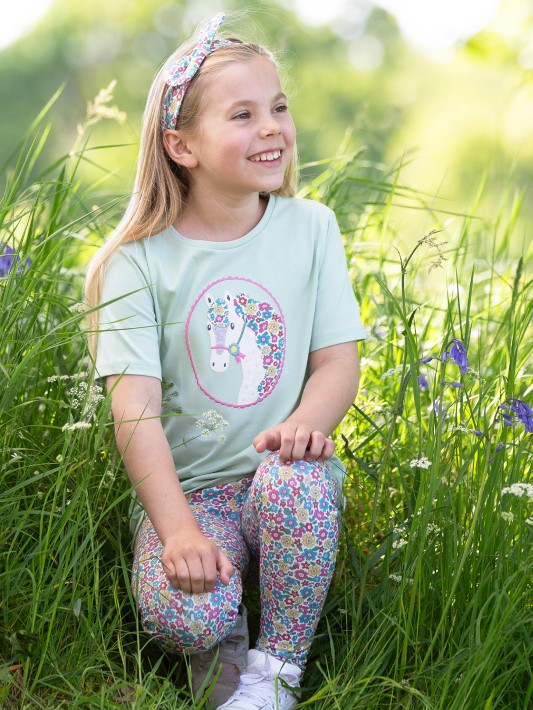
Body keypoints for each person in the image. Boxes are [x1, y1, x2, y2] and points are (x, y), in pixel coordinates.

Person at [85, 12, 365, 710]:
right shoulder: (137, 262)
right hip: (192, 495)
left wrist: (304, 425)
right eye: (242, 115)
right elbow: (134, 409)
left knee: (294, 488)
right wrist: (178, 530)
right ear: (181, 145)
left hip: (282, 474)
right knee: (188, 613)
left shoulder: (311, 229)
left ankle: (277, 672)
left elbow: (338, 360)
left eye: (278, 108)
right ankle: (223, 632)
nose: (272, 128)